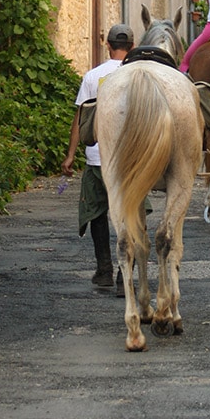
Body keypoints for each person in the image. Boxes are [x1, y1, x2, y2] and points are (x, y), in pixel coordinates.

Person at [61, 24, 135, 293]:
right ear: (133, 47)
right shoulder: (137, 75)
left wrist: (70, 155)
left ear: (107, 45)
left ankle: (104, 270)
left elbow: (80, 119)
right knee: (131, 215)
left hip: (97, 158)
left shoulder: (93, 77)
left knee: (97, 213)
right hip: (129, 159)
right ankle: (123, 277)